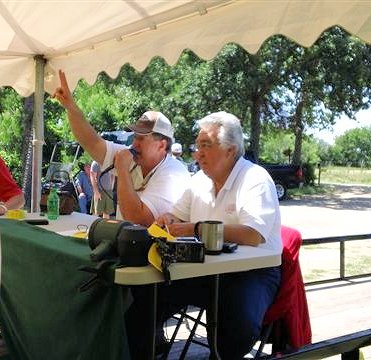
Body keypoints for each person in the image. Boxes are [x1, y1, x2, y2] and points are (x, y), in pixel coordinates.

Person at [156, 111, 282, 359]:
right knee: (147, 297)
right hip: (206, 268)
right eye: (196, 145)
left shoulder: (255, 178)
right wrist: (168, 220)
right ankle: (152, 348)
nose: (197, 153)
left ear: (231, 151)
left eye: (206, 145)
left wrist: (196, 228)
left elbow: (253, 235)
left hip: (251, 272)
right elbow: (177, 216)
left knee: (238, 329)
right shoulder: (199, 180)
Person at [53, 69, 190, 227]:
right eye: (134, 136)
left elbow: (137, 220)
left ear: (161, 145)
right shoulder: (135, 158)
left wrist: (122, 170)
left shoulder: (173, 175)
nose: (134, 144)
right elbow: (91, 142)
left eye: (141, 138)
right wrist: (70, 106)